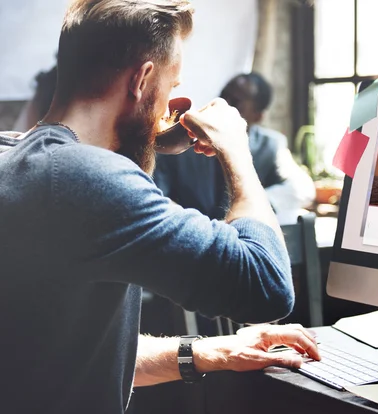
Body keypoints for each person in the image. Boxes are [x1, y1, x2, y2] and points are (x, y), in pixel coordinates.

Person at [0, 1, 319, 413]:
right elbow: (267, 285)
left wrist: (214, 351)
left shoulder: (16, 156)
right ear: (142, 79)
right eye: (171, 87)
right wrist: (236, 151)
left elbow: (64, 354)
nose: (168, 105)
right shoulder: (86, 177)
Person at [153, 72, 315, 224]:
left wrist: (250, 205)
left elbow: (302, 189)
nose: (224, 104)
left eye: (236, 101)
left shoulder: (270, 145)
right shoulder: (182, 141)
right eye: (224, 95)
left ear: (258, 116)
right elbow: (156, 195)